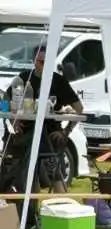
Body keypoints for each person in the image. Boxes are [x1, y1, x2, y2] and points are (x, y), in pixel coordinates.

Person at [7, 45, 82, 192]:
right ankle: (34, 206)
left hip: (50, 132)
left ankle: (56, 202)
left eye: (47, 62)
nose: (44, 66)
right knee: (34, 160)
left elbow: (79, 109)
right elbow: (6, 100)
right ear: (34, 61)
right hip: (27, 132)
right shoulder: (24, 78)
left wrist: (66, 131)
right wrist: (13, 121)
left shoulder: (59, 81)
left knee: (42, 146)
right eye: (41, 62)